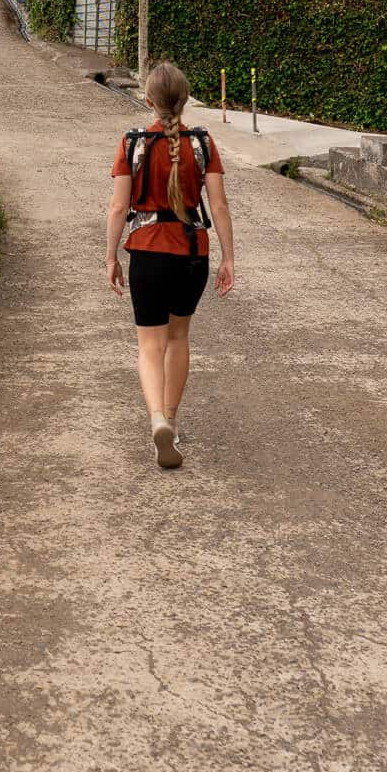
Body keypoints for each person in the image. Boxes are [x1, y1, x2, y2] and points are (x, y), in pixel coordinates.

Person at [106, 59, 235, 469]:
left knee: (150, 344)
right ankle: (173, 422)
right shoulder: (203, 142)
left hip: (147, 250)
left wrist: (110, 256)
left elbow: (117, 207)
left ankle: (156, 418)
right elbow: (219, 204)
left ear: (147, 99)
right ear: (186, 100)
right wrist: (229, 257)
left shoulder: (133, 143)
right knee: (178, 339)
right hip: (192, 253)